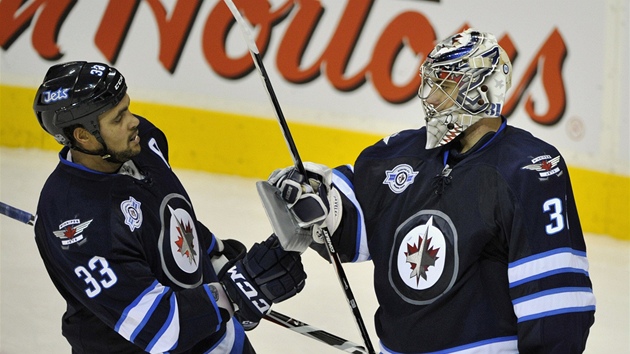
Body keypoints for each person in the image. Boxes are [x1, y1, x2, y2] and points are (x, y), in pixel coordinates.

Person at [265, 29, 595, 353]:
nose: (432, 97)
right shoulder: (401, 152)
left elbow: (555, 304)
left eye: (446, 85)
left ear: (483, 91)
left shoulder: (527, 168)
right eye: (433, 84)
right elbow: (355, 231)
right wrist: (319, 199)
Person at [32, 61, 307, 354]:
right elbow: (160, 330)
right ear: (83, 137)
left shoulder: (142, 142)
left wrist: (214, 251)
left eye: (128, 108)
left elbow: (164, 212)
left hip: (216, 336)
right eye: (117, 118)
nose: (133, 121)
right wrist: (237, 291)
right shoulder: (79, 226)